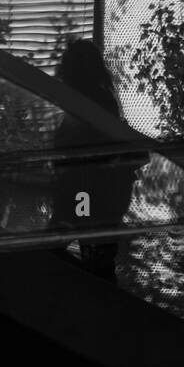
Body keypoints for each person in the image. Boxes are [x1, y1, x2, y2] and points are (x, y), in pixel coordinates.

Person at [49, 39, 140, 283]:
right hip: (99, 200)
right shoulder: (97, 102)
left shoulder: (87, 105)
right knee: (97, 266)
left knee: (58, 255)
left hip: (89, 196)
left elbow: (78, 153)